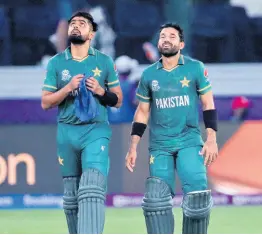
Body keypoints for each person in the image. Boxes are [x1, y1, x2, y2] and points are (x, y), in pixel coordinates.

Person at [125, 23, 218, 234]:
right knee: (155, 203)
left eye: (172, 36)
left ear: (181, 43)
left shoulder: (195, 68)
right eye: (163, 36)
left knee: (198, 199)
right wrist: (133, 146)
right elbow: (142, 112)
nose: (166, 39)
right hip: (160, 146)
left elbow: (208, 104)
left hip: (189, 141)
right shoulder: (149, 75)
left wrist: (211, 139)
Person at [41, 11, 122, 234]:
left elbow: (117, 101)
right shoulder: (56, 63)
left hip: (95, 130)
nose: (76, 26)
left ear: (92, 33)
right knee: (71, 197)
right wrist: (67, 89)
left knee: (92, 189)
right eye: (73, 23)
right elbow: (46, 102)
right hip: (67, 132)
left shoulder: (104, 61)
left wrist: (100, 90)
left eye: (82, 24)